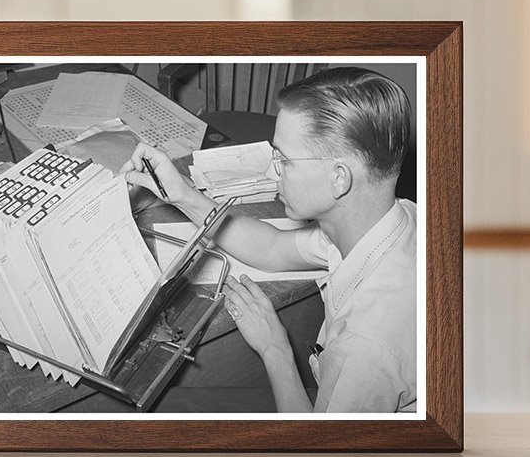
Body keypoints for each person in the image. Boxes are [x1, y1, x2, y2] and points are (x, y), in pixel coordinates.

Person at [121, 66, 417, 414]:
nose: (271, 170)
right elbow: (273, 248)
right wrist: (184, 195)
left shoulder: (367, 345)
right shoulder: (389, 219)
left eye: (284, 160)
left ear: (340, 178)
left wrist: (275, 348)